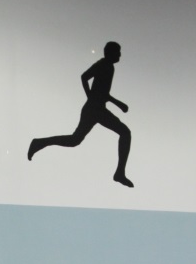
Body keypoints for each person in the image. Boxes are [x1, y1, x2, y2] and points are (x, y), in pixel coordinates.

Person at [28, 41, 134, 187]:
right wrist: (90, 97)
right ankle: (120, 173)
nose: (120, 55)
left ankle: (40, 142)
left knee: (75, 140)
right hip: (94, 109)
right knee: (123, 133)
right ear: (110, 53)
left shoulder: (109, 67)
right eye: (118, 52)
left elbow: (102, 93)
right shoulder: (103, 64)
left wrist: (118, 103)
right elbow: (84, 77)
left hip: (97, 109)